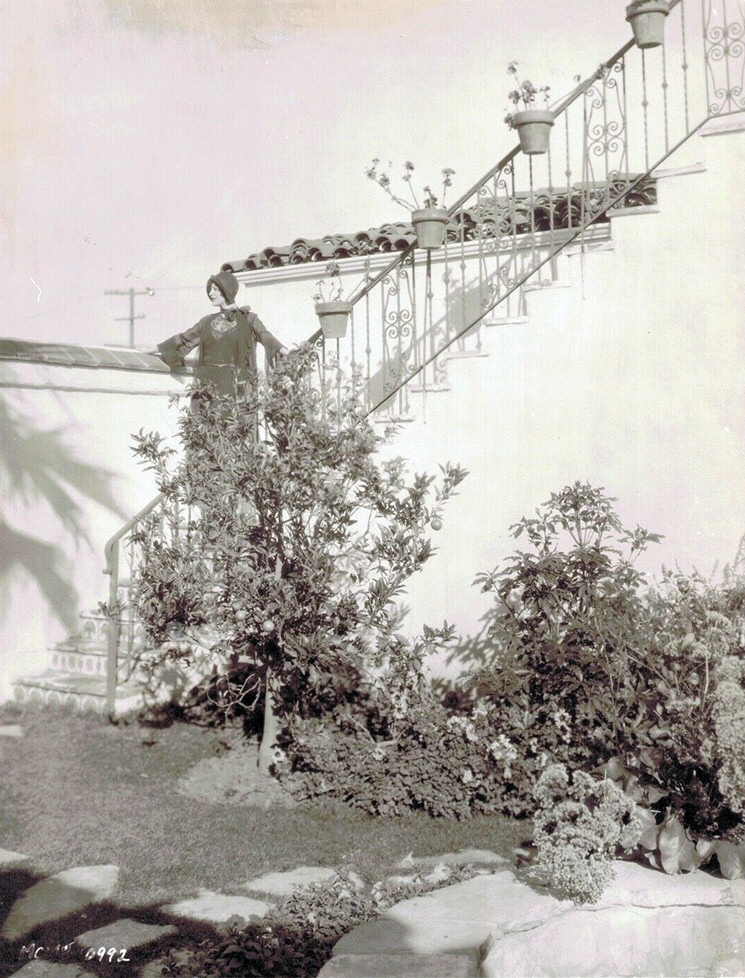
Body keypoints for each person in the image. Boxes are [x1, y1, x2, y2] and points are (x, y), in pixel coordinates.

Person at [156, 269, 287, 398]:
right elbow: (185, 338)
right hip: (208, 389)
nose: (210, 293)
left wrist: (282, 349)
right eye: (210, 289)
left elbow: (265, 336)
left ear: (226, 290)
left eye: (215, 289)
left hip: (237, 388)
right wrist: (158, 348)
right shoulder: (207, 322)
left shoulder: (249, 319)